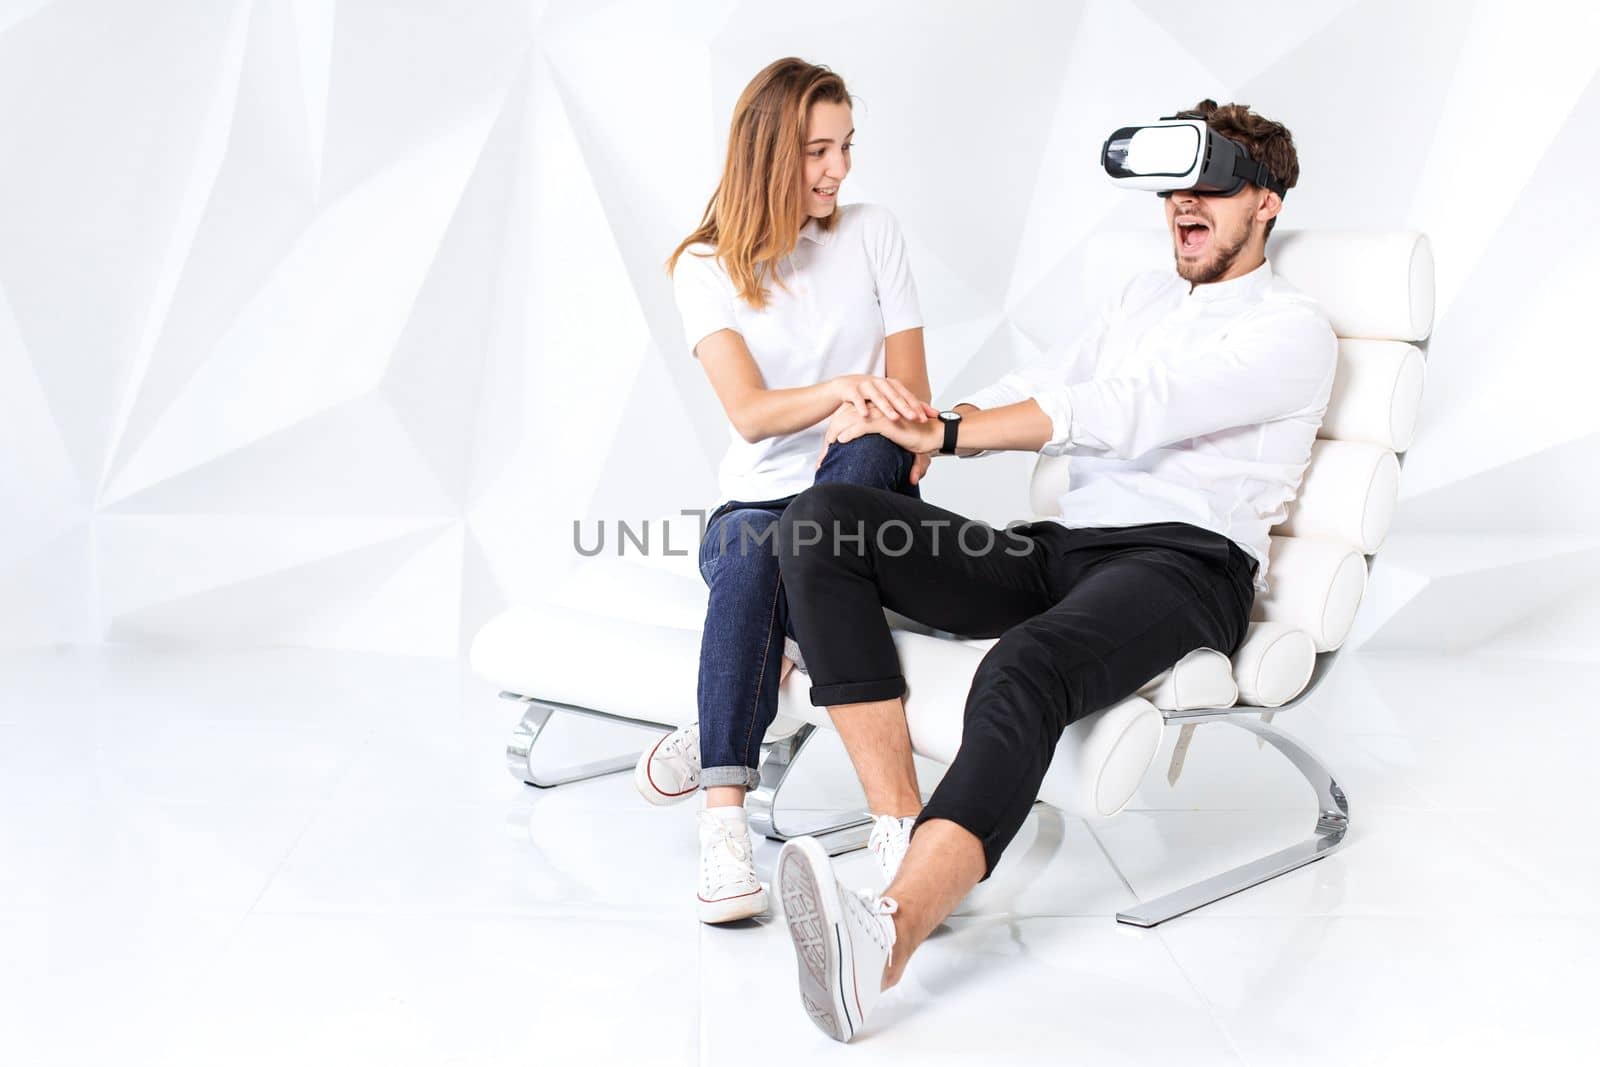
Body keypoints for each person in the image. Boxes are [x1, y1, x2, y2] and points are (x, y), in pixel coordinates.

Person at [768, 99, 1337, 1042]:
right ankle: (896, 825)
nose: (1184, 205)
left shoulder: (1292, 329)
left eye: (1212, 187)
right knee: (822, 519)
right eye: (1172, 189)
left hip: (1183, 566)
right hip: (1058, 548)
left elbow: (1132, 407)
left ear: (1266, 202)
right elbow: (1045, 379)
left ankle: (887, 937)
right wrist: (917, 424)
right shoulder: (1144, 300)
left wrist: (949, 436)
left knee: (1026, 664)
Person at [639, 57, 934, 924]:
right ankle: (725, 833)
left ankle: (734, 706)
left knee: (877, 444)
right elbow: (751, 411)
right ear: (767, 152)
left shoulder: (875, 232)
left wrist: (873, 410)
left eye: (845, 147)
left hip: (868, 498)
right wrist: (850, 386)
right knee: (751, 551)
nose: (838, 170)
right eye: (817, 150)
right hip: (760, 511)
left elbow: (914, 415)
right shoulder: (705, 266)